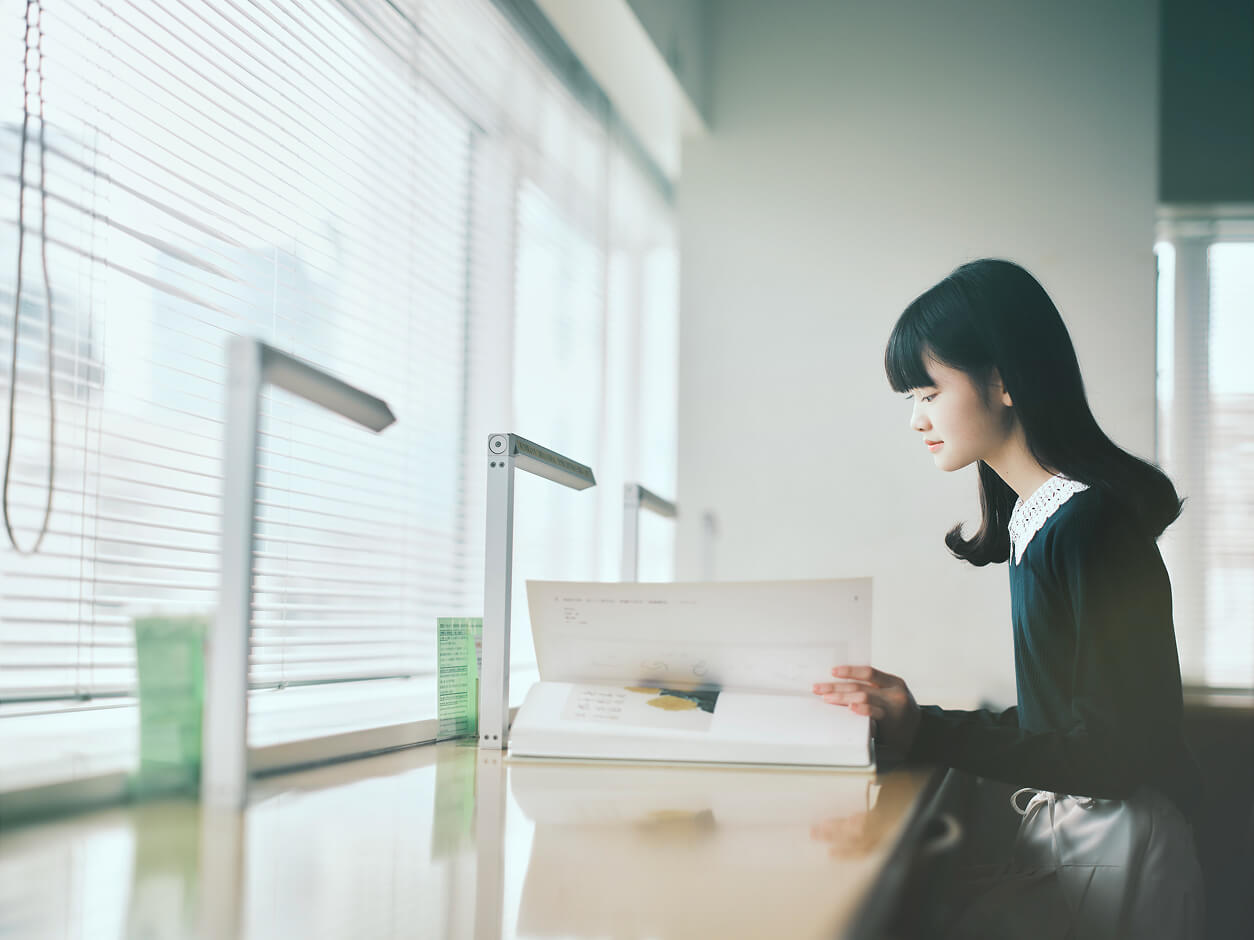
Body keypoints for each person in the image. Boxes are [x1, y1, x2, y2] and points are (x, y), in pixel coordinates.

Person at [813, 259, 1205, 937]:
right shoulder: (1042, 522)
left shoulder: (1091, 525)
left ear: (1001, 380)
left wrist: (928, 731)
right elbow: (1063, 719)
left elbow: (1111, 752)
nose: (917, 420)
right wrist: (916, 722)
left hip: (1120, 842)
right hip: (1087, 835)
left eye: (928, 392)